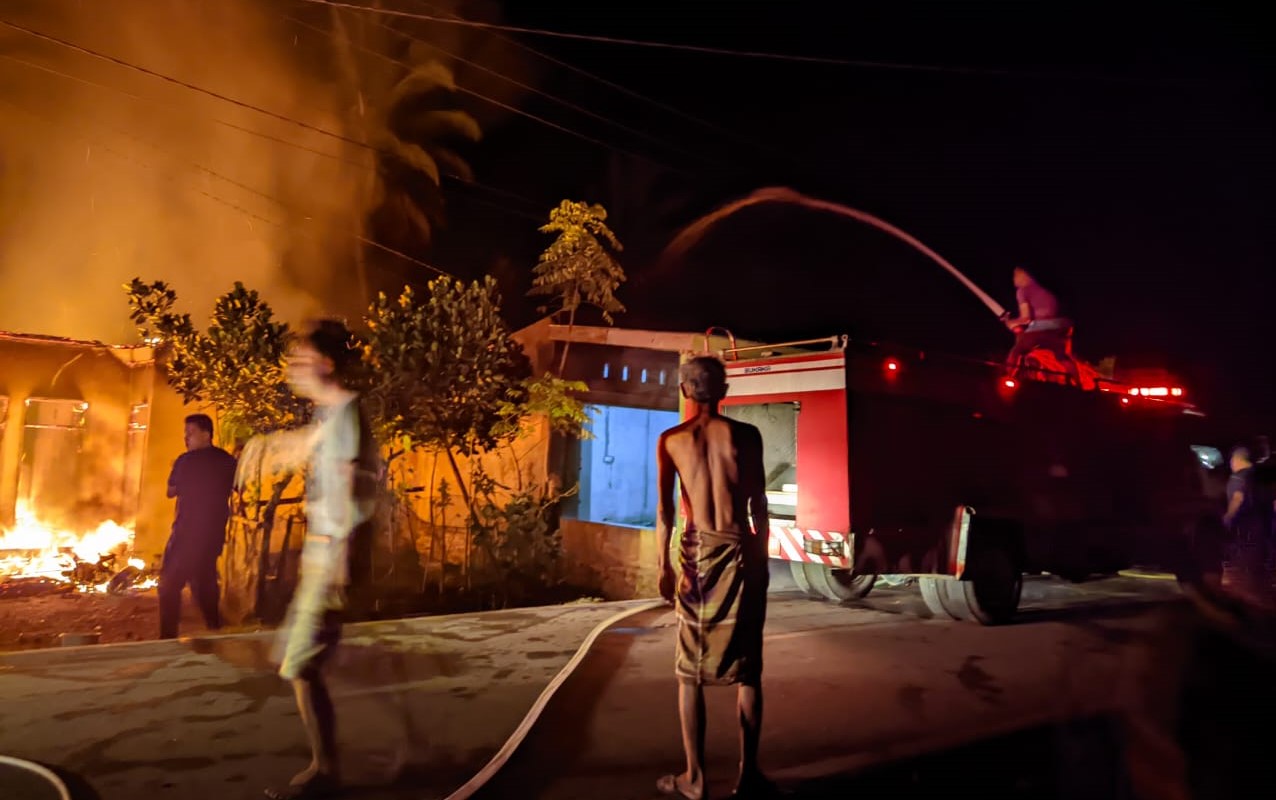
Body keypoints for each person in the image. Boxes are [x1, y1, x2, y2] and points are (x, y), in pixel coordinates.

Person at [242, 319, 378, 800]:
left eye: (300, 360)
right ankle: (329, 764)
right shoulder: (333, 416)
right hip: (325, 554)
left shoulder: (344, 416)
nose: (292, 370)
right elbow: (314, 445)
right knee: (304, 663)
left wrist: (334, 560)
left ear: (325, 363)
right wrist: (276, 445)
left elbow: (344, 481)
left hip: (329, 554)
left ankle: (326, 772)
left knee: (300, 662)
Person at [654, 356, 773, 800]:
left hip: (698, 562)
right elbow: (759, 505)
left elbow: (666, 513)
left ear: (685, 390)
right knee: (749, 672)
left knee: (689, 672)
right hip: (742, 555)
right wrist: (759, 559)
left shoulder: (671, 440)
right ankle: (750, 778)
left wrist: (662, 567)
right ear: (723, 390)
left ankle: (696, 778)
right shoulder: (747, 435)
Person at [158, 413, 236, 639]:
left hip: (186, 534)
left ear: (206, 434)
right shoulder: (227, 460)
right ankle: (216, 630)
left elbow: (170, 492)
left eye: (190, 433)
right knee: (205, 581)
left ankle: (167, 638)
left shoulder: (185, 461)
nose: (186, 438)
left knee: (170, 585)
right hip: (213, 535)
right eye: (185, 434)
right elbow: (238, 486)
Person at [1003, 267, 1078, 380]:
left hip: (1043, 326)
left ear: (1025, 276)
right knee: (1062, 357)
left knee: (1017, 351)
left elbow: (1026, 319)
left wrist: (1009, 322)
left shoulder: (1023, 291)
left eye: (1016, 275)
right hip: (1062, 326)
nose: (1013, 278)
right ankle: (1078, 383)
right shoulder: (1043, 290)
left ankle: (1008, 378)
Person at [1222, 445, 1273, 606]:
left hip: (1245, 531)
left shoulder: (1238, 478)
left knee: (1244, 571)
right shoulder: (1262, 476)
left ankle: (1249, 605)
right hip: (1264, 532)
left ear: (1236, 460)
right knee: (1259, 571)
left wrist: (1227, 518)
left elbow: (1237, 498)